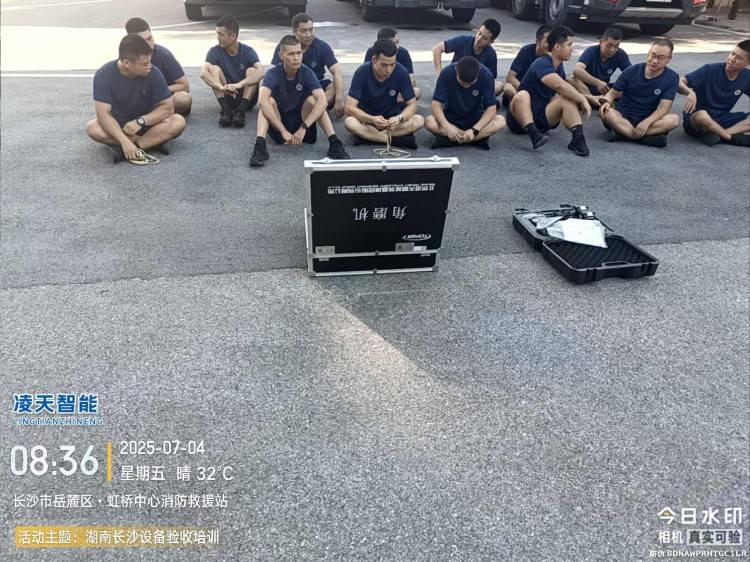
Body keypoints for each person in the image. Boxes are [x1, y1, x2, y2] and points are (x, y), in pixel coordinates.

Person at [249, 36, 349, 167]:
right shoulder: (273, 73)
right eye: (291, 54)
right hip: (280, 127)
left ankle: (334, 143)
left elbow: (323, 102)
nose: (296, 58)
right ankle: (260, 146)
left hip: (303, 126)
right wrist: (283, 131)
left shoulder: (307, 72)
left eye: (298, 53)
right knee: (268, 101)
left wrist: (303, 127)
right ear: (281, 55)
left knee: (315, 101)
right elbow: (262, 101)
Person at [86, 34, 186, 163]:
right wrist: (123, 139)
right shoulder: (103, 74)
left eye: (149, 61)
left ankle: (132, 148)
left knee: (178, 121)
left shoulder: (154, 73)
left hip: (150, 123)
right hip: (120, 126)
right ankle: (154, 142)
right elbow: (103, 114)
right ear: (127, 63)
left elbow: (167, 108)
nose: (149, 66)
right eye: (145, 63)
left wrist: (140, 121)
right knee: (92, 128)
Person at [507, 26, 591, 157]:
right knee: (522, 94)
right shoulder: (541, 62)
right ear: (557, 47)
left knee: (566, 99)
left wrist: (591, 98)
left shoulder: (558, 65)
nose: (572, 49)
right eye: (569, 45)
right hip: (518, 121)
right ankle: (534, 134)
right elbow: (559, 86)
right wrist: (582, 99)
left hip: (541, 116)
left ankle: (578, 139)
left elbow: (566, 90)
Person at [345, 38, 424, 149]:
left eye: (392, 64)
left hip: (391, 121)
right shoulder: (361, 72)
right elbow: (349, 107)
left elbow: (412, 104)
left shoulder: (401, 72)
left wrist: (400, 118)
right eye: (384, 65)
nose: (388, 70)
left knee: (419, 120)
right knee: (350, 122)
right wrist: (372, 119)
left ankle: (370, 137)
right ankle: (393, 140)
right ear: (374, 60)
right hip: (367, 120)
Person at [599, 39, 680, 147]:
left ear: (669, 59)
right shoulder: (631, 71)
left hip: (648, 118)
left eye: (661, 58)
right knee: (607, 113)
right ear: (648, 53)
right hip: (623, 115)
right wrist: (607, 102)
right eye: (653, 55)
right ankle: (644, 139)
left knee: (674, 120)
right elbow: (613, 93)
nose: (655, 61)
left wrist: (647, 122)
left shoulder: (672, 77)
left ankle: (623, 134)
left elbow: (663, 108)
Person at [271, 13, 346, 117]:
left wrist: (339, 99)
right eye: (304, 31)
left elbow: (337, 70)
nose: (309, 34)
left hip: (316, 88)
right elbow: (274, 73)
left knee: (336, 85)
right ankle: (314, 110)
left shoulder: (321, 47)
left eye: (311, 30)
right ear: (294, 32)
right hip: (292, 89)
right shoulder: (285, 46)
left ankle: (315, 107)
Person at [680, 40, 750, 147]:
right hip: (697, 120)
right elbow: (679, 82)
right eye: (732, 53)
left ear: (748, 63)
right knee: (702, 116)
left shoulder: (747, 76)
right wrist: (689, 92)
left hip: (722, 118)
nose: (732, 59)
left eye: (739, 58)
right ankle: (730, 138)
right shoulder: (710, 69)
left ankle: (719, 135)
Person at [426, 56, 506, 149]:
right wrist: (447, 126)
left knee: (501, 121)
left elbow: (491, 108)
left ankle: (452, 140)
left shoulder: (486, 75)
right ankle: (476, 139)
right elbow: (436, 104)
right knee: (429, 121)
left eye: (470, 83)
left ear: (478, 74)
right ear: (456, 70)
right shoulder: (446, 73)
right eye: (462, 82)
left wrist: (475, 129)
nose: (466, 86)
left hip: (476, 119)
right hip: (451, 118)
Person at [201, 15, 264, 128]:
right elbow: (204, 73)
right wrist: (221, 87)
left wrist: (239, 84)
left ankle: (241, 112)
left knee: (252, 70)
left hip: (247, 99)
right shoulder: (214, 51)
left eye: (221, 34)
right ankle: (226, 110)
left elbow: (261, 72)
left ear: (233, 36)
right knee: (213, 69)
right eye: (217, 34)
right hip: (227, 95)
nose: (218, 37)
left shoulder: (247, 51)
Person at [124, 17, 192, 116]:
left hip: (163, 98)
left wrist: (158, 90)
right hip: (140, 99)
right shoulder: (127, 57)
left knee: (183, 99)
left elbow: (184, 86)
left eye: (150, 38)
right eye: (143, 41)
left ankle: (152, 115)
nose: (149, 44)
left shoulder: (164, 55)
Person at [432, 18, 503, 96]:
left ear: (491, 42)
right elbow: (437, 49)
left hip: (475, 87)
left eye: (484, 38)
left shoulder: (491, 54)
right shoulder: (464, 40)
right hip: (456, 82)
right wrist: (439, 75)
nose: (479, 39)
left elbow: (490, 79)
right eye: (479, 33)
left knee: (499, 86)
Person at [570, 26, 631, 109]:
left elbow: (631, 74)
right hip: (586, 87)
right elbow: (577, 70)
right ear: (601, 42)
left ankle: (600, 101)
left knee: (628, 86)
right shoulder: (591, 51)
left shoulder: (620, 54)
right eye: (609, 45)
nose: (612, 50)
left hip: (604, 89)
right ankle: (595, 101)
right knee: (572, 79)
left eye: (616, 46)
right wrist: (597, 83)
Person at [364, 28, 421, 101]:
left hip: (396, 91)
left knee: (417, 91)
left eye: (398, 42)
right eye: (395, 43)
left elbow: (412, 80)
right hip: (377, 90)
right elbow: (366, 78)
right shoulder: (372, 52)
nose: (398, 46)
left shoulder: (403, 52)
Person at [503, 25, 551, 104]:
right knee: (508, 88)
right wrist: (525, 91)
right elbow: (510, 77)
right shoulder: (526, 51)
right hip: (521, 89)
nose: (550, 45)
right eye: (547, 41)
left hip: (539, 94)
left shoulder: (554, 56)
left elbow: (560, 81)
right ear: (537, 41)